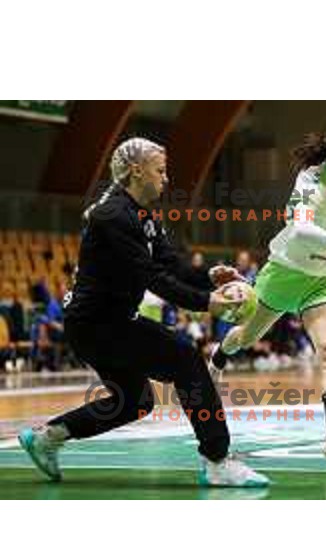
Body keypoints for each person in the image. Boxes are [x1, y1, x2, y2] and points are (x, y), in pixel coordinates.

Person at [18, 136, 268, 487]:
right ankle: (216, 459)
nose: (166, 179)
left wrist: (209, 275)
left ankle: (48, 437)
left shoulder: (141, 212)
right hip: (97, 324)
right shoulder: (113, 216)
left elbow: (168, 263)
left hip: (105, 323)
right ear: (136, 171)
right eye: (160, 170)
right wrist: (206, 303)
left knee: (133, 401)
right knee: (186, 358)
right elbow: (152, 277)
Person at [209, 118, 326, 458]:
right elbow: (300, 228)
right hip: (287, 273)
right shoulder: (310, 180)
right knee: (246, 337)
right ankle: (218, 358)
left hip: (324, 281)